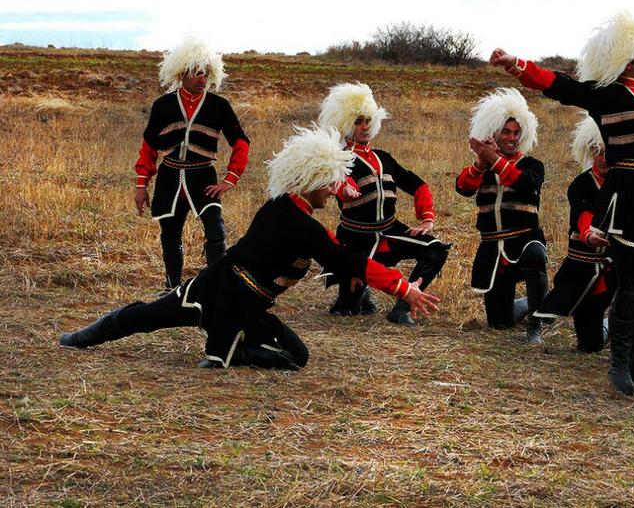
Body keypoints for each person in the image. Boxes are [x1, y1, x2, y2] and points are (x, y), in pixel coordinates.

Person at [60, 125, 441, 369]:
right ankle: (88, 335)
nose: (333, 189)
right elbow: (347, 259)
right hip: (219, 289)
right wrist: (403, 286)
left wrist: (401, 286)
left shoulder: (297, 213)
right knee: (146, 318)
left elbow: (346, 259)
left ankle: (239, 344)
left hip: (251, 303)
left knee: (298, 357)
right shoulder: (292, 218)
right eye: (328, 181)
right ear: (308, 179)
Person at [490, 11, 634, 396]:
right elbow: (557, 85)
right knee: (632, 287)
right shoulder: (606, 93)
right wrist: (516, 65)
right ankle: (619, 365)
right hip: (630, 197)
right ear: (627, 60)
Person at [318, 82, 449, 325]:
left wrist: (427, 218)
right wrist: (344, 188)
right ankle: (357, 292)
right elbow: (343, 188)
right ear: (345, 124)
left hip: (390, 232)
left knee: (436, 248)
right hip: (356, 240)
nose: (365, 126)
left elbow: (417, 184)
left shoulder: (384, 158)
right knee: (349, 311)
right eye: (357, 121)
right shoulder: (339, 160)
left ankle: (403, 308)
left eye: (368, 120)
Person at [134, 37, 249, 290]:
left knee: (216, 232)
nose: (202, 78)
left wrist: (229, 180)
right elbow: (149, 147)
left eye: (206, 73)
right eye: (196, 72)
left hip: (203, 178)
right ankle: (172, 288)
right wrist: (142, 185)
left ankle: (215, 288)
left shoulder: (219, 105)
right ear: (182, 72)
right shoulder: (163, 105)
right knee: (170, 235)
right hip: (169, 178)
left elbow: (241, 142)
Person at [456, 88, 548, 343]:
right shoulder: (482, 165)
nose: (511, 138)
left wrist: (493, 159)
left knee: (535, 253)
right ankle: (533, 302)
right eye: (506, 132)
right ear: (494, 133)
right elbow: (462, 188)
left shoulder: (532, 165)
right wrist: (481, 162)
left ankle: (536, 325)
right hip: (492, 248)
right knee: (499, 322)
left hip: (524, 240)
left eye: (516, 132)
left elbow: (525, 183)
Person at [533, 115, 613, 352]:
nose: (604, 157)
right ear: (591, 151)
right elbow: (583, 211)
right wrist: (587, 233)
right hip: (583, 266)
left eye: (608, 151)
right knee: (590, 345)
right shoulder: (580, 184)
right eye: (598, 151)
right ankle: (607, 329)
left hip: (614, 265)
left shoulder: (625, 183)